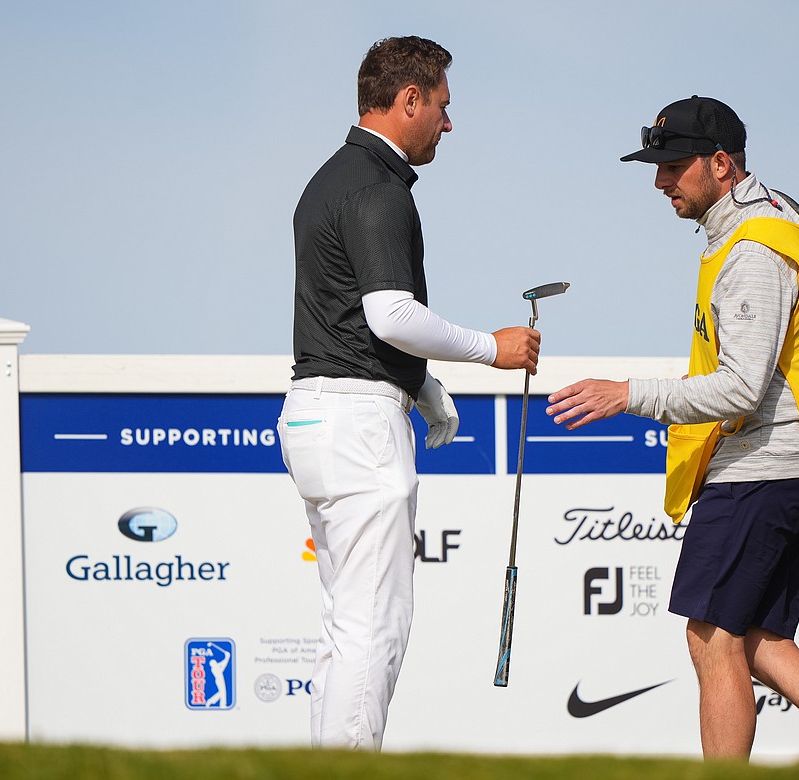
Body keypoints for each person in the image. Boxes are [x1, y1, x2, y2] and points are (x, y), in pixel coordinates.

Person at [544, 96, 799, 773]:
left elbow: (740, 387)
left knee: (712, 639)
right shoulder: (777, 218)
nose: (660, 183)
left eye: (673, 167)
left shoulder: (752, 248)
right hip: (798, 466)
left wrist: (627, 395)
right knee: (753, 641)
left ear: (721, 164)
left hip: (762, 469)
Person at [277, 36, 540, 751]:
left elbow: (349, 316)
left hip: (319, 415)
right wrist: (494, 349)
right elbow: (388, 314)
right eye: (443, 108)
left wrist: (424, 387)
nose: (448, 126)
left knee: (346, 620)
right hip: (357, 423)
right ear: (409, 99)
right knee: (375, 622)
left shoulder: (334, 177)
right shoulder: (377, 186)